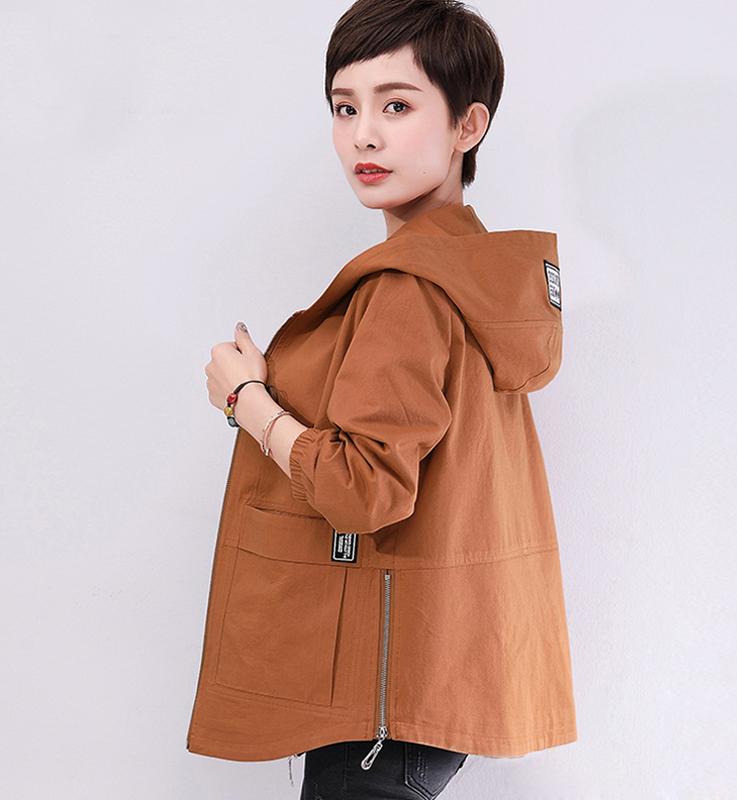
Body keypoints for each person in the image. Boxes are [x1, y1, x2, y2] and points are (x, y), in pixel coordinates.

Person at [187, 1, 578, 797]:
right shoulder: (473, 275)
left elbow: (363, 490)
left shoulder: (407, 288)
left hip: (380, 707)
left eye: (396, 106)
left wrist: (248, 399)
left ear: (468, 125)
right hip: (427, 683)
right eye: (345, 107)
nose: (363, 135)